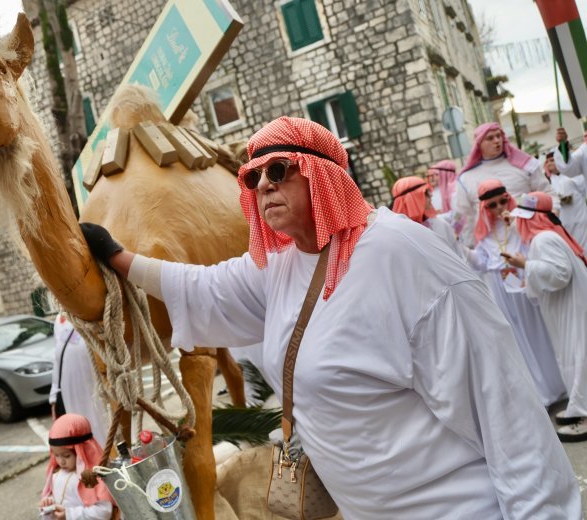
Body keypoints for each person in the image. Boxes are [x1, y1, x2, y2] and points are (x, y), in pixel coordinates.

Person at [80, 117, 580, 518]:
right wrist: (117, 256)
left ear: (322, 175)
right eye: (253, 177)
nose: (263, 185)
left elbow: (505, 409)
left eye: (278, 171)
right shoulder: (283, 265)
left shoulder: (402, 254)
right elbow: (204, 288)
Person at [463, 180, 564, 407]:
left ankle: (558, 384)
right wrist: (463, 250)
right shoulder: (485, 234)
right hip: (501, 289)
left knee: (540, 332)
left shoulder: (521, 221)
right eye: (492, 205)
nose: (499, 208)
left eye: (502, 201)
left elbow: (534, 243)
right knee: (518, 338)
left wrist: (517, 223)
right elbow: (482, 263)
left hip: (526, 283)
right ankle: (541, 391)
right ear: (485, 208)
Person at [503, 192, 587, 442]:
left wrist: (525, 265)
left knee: (577, 358)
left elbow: (560, 274)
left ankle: (583, 416)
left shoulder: (543, 240)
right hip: (567, 307)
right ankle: (578, 407)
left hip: (569, 309)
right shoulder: (547, 236)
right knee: (573, 357)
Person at [456, 122, 557, 248]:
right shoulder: (466, 178)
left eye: (498, 136)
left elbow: (548, 194)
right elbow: (466, 216)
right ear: (479, 143)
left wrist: (553, 215)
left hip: (531, 237)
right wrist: (470, 247)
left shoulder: (526, 165)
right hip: (492, 246)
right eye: (490, 138)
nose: (497, 141)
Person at [48, 314, 109, 446]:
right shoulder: (60, 320)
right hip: (70, 390)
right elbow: (57, 360)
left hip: (95, 386)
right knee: (79, 428)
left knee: (102, 423)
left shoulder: (91, 311)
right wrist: (54, 395)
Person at [39, 414, 113, 520]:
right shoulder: (56, 473)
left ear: (82, 452)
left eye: (66, 456)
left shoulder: (90, 477)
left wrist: (69, 514)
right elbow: (59, 498)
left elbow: (103, 512)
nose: (61, 461)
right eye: (56, 455)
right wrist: (49, 503)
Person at [390, 175, 462, 257]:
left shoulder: (438, 224)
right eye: (426, 192)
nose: (431, 194)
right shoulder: (399, 235)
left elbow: (458, 254)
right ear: (412, 199)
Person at [546, 149, 587, 248]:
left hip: (579, 215)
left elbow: (583, 189)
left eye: (552, 160)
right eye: (547, 161)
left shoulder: (572, 174)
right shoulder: (547, 180)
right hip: (562, 219)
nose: (549, 163)